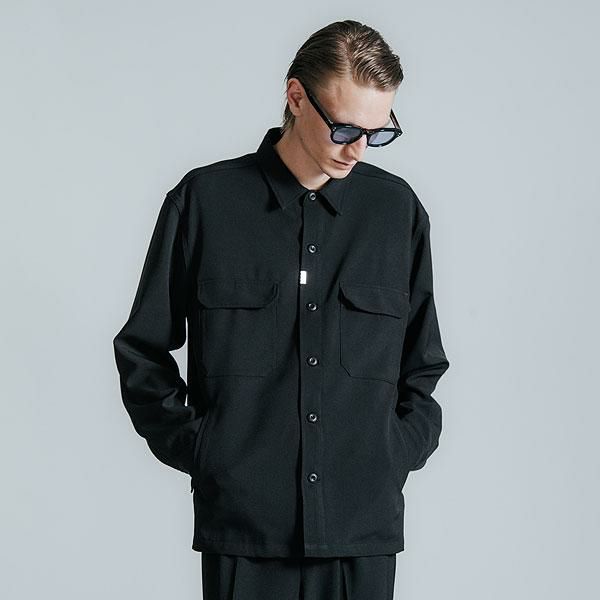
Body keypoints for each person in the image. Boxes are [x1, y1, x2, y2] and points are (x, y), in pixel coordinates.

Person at [113, 18, 450, 600]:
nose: (357, 149)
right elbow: (142, 349)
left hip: (361, 532)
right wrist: (205, 450)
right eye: (345, 127)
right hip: (243, 532)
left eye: (377, 132)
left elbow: (423, 364)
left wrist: (393, 451)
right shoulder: (204, 203)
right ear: (296, 97)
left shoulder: (396, 214)